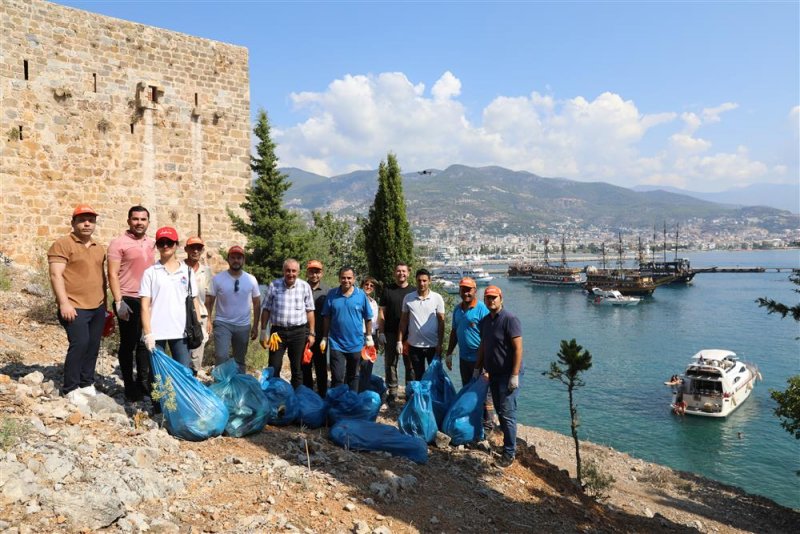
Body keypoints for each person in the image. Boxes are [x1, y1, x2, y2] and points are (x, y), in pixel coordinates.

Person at [48, 204, 107, 400]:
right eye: (82, 220)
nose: (87, 223)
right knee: (79, 344)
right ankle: (71, 388)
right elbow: (56, 275)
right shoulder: (63, 244)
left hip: (97, 306)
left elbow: (101, 278)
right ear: (73, 223)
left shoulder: (99, 248)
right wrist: (64, 303)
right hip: (74, 306)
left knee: (93, 345)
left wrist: (105, 307)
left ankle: (86, 382)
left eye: (91, 220)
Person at [107, 205, 155, 401]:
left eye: (143, 219)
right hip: (128, 297)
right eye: (135, 219)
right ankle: (129, 384)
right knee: (128, 344)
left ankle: (143, 383)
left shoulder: (152, 243)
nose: (139, 223)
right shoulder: (118, 243)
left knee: (145, 343)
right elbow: (112, 273)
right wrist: (119, 301)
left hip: (147, 299)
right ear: (128, 221)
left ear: (148, 222)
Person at [474, 285, 523, 468]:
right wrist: (477, 367)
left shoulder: (510, 319)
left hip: (508, 374)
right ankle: (505, 446)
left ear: (501, 298)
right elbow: (483, 346)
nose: (491, 300)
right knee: (499, 412)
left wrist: (515, 374)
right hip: (493, 373)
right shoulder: (486, 321)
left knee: (507, 413)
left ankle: (509, 453)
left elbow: (518, 348)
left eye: (494, 297)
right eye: (488, 298)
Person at [139, 227, 201, 368]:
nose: (165, 246)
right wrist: (148, 333)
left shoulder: (188, 272)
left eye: (169, 242)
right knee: (159, 376)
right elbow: (144, 305)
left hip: (181, 331)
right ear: (157, 246)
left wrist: (199, 326)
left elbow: (194, 300)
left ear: (176, 245)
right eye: (161, 243)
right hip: (156, 332)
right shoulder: (150, 273)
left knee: (184, 372)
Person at [259, 258, 315, 388]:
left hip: (298, 333)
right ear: (283, 271)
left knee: (297, 368)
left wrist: (312, 333)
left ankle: (297, 400)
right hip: (277, 333)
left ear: (299, 272)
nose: (291, 274)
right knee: (274, 367)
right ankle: (275, 399)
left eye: (294, 271)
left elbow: (310, 310)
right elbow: (266, 309)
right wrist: (263, 332)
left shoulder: (304, 286)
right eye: (288, 271)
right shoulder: (274, 285)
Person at [205, 246, 260, 373]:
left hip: (243, 325)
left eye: (239, 258)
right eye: (233, 257)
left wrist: (256, 325)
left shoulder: (251, 279)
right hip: (222, 323)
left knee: (240, 359)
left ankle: (239, 387)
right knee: (221, 356)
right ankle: (220, 387)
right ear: (228, 259)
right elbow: (210, 301)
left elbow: (257, 303)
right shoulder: (218, 279)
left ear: (243, 260)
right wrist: (208, 320)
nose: (236, 260)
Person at [321, 267, 373, 391]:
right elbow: (327, 317)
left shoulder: (361, 295)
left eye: (349, 278)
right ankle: (337, 404)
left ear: (354, 279)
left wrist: (369, 337)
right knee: (337, 376)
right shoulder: (332, 294)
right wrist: (324, 337)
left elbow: (368, 317)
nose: (346, 280)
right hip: (336, 343)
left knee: (353, 376)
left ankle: (352, 402)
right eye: (343, 278)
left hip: (356, 343)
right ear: (339, 279)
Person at [378, 263, 416, 403]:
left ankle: (410, 392)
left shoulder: (414, 291)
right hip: (390, 333)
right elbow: (382, 312)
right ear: (395, 273)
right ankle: (392, 392)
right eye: (398, 271)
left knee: (410, 365)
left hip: (410, 335)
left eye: (404, 271)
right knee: (390, 364)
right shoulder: (388, 290)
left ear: (408, 273)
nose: (401, 274)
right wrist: (381, 332)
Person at [398, 268, 445, 381]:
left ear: (429, 281)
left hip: (432, 346)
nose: (422, 283)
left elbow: (441, 322)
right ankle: (421, 398)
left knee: (435, 377)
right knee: (419, 377)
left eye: (424, 280)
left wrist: (440, 343)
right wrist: (399, 341)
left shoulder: (437, 298)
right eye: (419, 280)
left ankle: (434, 399)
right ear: (415, 281)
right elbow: (403, 321)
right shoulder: (408, 298)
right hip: (414, 346)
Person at [183, 236, 212, 375]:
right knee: (182, 349)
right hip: (182, 314)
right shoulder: (179, 268)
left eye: (198, 248)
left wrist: (209, 319)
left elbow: (208, 297)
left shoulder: (206, 271)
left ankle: (193, 378)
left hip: (201, 314)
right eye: (192, 248)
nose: (195, 251)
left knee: (198, 350)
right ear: (186, 249)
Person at [304, 260, 329, 396]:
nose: (314, 274)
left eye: (317, 271)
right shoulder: (300, 287)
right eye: (312, 271)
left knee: (321, 367)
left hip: (321, 336)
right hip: (303, 334)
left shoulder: (328, 291)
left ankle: (322, 395)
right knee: (304, 366)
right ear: (307, 272)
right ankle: (307, 395)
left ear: (322, 273)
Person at [358, 276, 380, 392]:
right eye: (367, 284)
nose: (369, 287)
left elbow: (375, 322)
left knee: (368, 365)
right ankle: (355, 391)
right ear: (362, 285)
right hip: (360, 335)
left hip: (372, 336)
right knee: (358, 365)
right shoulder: (357, 299)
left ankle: (364, 390)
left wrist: (378, 336)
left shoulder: (374, 302)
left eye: (372, 286)